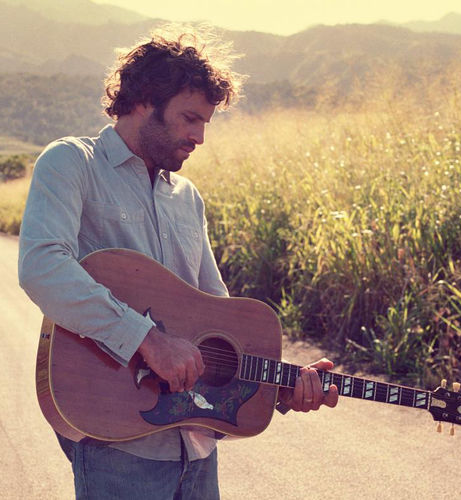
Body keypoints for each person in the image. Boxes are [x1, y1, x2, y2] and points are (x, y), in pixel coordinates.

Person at [18, 24, 338, 500]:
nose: (200, 137)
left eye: (205, 122)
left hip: (198, 451)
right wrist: (147, 340)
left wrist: (279, 386)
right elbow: (42, 266)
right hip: (116, 444)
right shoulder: (71, 163)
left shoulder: (187, 198)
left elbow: (220, 319)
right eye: (190, 118)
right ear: (144, 100)